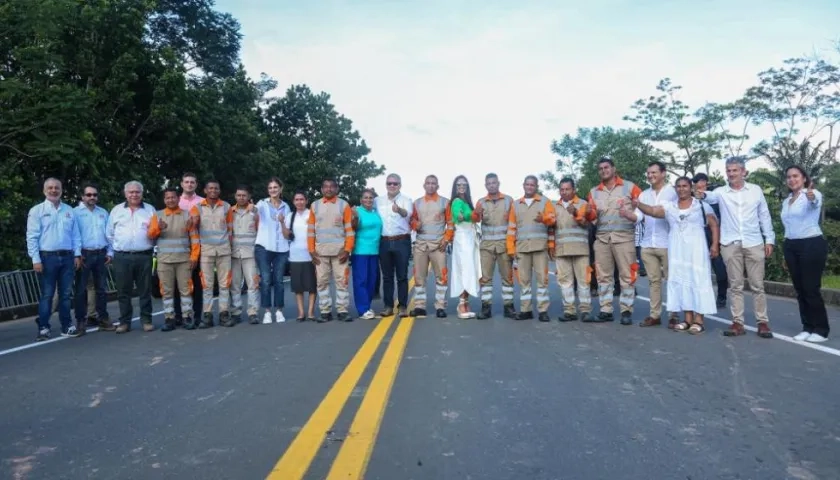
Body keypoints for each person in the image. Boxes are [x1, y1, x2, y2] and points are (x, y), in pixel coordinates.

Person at [698, 156, 775, 338]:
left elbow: (764, 215)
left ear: (743, 172)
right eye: (729, 171)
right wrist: (701, 193)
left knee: (757, 285)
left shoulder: (755, 191)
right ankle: (737, 322)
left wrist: (769, 239)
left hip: (754, 242)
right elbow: (709, 196)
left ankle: (762, 322)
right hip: (730, 244)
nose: (731, 174)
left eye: (735, 170)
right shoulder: (721, 192)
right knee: (735, 285)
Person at [633, 177, 720, 334]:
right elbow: (653, 211)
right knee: (682, 281)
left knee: (698, 280)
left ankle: (699, 320)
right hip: (677, 250)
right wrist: (638, 204)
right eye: (678, 186)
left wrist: (714, 245)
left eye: (685, 186)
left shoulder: (701, 206)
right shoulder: (670, 207)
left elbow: (714, 225)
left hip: (697, 249)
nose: (682, 189)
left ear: (691, 187)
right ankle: (687, 319)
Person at [584, 156, 643, 325]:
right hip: (602, 239)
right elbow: (593, 216)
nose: (604, 171)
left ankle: (626, 310)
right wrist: (588, 212)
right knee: (603, 277)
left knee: (627, 275)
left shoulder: (630, 187)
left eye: (607, 167)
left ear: (614, 169)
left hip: (624, 239)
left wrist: (633, 214)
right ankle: (606, 310)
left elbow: (642, 209)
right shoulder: (594, 192)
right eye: (601, 168)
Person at [26, 177, 82, 340]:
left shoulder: (69, 210)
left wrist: (77, 254)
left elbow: (75, 235)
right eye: (50, 188)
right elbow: (32, 237)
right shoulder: (37, 211)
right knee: (47, 295)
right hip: (46, 258)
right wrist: (35, 259)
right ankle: (43, 327)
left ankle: (67, 326)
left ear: (61, 190)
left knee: (65, 295)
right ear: (44, 190)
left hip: (67, 257)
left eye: (56, 187)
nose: (53, 190)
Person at [780, 166, 829, 342]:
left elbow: (814, 201)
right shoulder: (786, 201)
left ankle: (821, 330)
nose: (792, 179)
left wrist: (811, 197)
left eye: (796, 176)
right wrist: (786, 252)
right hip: (791, 245)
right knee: (800, 289)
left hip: (811, 243)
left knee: (810, 288)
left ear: (804, 178)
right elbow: (788, 226)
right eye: (789, 177)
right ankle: (807, 327)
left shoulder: (812, 194)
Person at [107, 180, 156, 333]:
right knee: (123, 291)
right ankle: (124, 322)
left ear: (142, 193)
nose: (134, 194)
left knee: (145, 290)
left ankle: (146, 320)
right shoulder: (116, 210)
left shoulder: (150, 210)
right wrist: (117, 249)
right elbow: (109, 234)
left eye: (137, 192)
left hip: (144, 256)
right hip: (122, 257)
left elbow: (156, 232)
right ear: (125, 193)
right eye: (131, 192)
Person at [147, 187, 199, 331]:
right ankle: (169, 318)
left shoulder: (187, 215)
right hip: (164, 261)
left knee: (186, 290)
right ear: (164, 200)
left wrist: (194, 256)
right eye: (167, 198)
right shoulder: (157, 216)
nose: (170, 200)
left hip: (184, 260)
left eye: (173, 197)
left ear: (178, 198)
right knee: (167, 291)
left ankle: (187, 317)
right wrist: (158, 228)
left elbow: (194, 238)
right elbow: (150, 236)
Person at [506, 175, 556, 321]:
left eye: (532, 185)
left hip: (540, 247)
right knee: (524, 281)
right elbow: (511, 228)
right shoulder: (516, 205)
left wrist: (544, 219)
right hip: (522, 248)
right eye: (527, 184)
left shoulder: (544, 202)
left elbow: (553, 220)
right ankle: (525, 310)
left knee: (542, 280)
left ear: (536, 186)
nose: (529, 187)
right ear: (523, 185)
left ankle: (543, 310)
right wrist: (510, 248)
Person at [637, 161, 681, 328]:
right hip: (648, 244)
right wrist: (627, 213)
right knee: (653, 281)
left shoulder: (673, 192)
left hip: (668, 243)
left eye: (654, 172)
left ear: (663, 173)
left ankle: (673, 315)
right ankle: (654, 315)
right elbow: (639, 216)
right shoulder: (643, 194)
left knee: (672, 280)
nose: (650, 175)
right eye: (648, 173)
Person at [308, 178, 355, 322]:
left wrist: (347, 250)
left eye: (332, 187)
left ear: (337, 189)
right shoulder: (315, 206)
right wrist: (311, 251)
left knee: (342, 281)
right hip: (320, 253)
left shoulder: (343, 205)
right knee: (322, 282)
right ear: (321, 190)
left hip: (340, 252)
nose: (329, 189)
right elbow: (310, 231)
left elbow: (349, 230)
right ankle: (325, 311)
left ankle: (342, 310)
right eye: (326, 187)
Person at [190, 179, 234, 328]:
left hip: (224, 251)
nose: (213, 190)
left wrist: (229, 246)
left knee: (224, 284)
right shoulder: (197, 208)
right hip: (206, 251)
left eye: (216, 188)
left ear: (219, 191)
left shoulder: (226, 207)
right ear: (205, 191)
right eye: (210, 188)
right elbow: (193, 230)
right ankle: (207, 316)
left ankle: (224, 314)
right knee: (207, 285)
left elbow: (230, 230)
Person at [548, 178, 593, 322]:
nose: (564, 192)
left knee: (584, 281)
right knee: (565, 282)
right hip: (562, 250)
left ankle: (585, 311)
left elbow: (587, 224)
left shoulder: (583, 204)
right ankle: (569, 311)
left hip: (581, 250)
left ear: (574, 190)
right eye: (562, 189)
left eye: (567, 189)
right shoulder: (555, 207)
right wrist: (551, 247)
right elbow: (551, 229)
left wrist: (576, 214)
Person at [472, 173, 516, 319]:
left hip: (504, 246)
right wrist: (476, 214)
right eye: (489, 183)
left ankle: (509, 307)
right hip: (487, 246)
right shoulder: (481, 202)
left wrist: (514, 245)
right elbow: (475, 220)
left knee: (507, 278)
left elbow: (514, 223)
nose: (492, 185)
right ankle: (486, 308)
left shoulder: (509, 201)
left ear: (498, 183)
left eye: (494, 183)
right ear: (486, 185)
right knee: (486, 279)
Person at [73, 182, 114, 333]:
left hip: (101, 253)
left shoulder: (103, 212)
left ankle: (103, 318)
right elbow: (73, 235)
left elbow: (109, 234)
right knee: (80, 289)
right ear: (83, 196)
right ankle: (80, 321)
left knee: (101, 289)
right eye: (89, 195)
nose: (92, 197)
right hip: (84, 254)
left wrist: (110, 252)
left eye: (95, 195)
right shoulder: (75, 212)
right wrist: (76, 254)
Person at [409, 175, 451, 318]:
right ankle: (420, 306)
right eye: (428, 183)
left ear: (437, 186)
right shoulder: (417, 203)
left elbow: (451, 223)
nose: (431, 186)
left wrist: (446, 239)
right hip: (421, 245)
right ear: (424, 185)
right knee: (419, 277)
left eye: (434, 183)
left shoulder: (445, 202)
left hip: (438, 245)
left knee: (442, 277)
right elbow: (412, 221)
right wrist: (415, 224)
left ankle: (440, 306)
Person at [375, 173, 413, 317]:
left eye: (395, 183)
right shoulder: (378, 201)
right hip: (384, 242)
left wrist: (399, 210)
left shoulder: (406, 200)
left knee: (402, 276)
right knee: (387, 276)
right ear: (386, 184)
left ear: (400, 185)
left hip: (401, 241)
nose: (392, 186)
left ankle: (402, 306)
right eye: (389, 183)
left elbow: (407, 215)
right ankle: (388, 306)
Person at [254, 177, 291, 323]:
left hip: (281, 248)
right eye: (270, 188)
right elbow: (255, 211)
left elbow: (286, 233)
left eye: (275, 187)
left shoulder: (286, 207)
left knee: (279, 280)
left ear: (281, 189)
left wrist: (282, 221)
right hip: (264, 247)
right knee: (266, 279)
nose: (273, 190)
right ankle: (267, 312)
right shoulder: (262, 204)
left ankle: (279, 310)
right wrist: (252, 209)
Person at [692, 173, 728, 308]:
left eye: (701, 181)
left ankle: (722, 296)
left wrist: (715, 242)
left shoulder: (715, 196)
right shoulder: (690, 198)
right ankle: (701, 296)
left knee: (720, 269)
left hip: (714, 234)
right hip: (697, 235)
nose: (699, 184)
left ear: (706, 182)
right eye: (696, 182)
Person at [448, 175, 481, 319]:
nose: (462, 187)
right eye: (459, 184)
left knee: (471, 270)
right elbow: (458, 215)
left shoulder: (467, 201)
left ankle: (466, 302)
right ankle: (461, 303)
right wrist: (464, 216)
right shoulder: (456, 201)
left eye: (464, 184)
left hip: (470, 236)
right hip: (462, 239)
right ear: (455, 187)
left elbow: (474, 217)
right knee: (464, 270)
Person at [174, 172, 204, 325]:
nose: (189, 185)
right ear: (182, 184)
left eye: (192, 182)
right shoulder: (175, 201)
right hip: (179, 248)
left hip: (199, 247)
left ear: (196, 185)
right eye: (186, 182)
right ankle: (179, 316)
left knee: (198, 284)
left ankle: (198, 315)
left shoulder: (203, 202)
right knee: (179, 284)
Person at [228, 185, 261, 324]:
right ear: (235, 196)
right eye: (238, 195)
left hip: (250, 253)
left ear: (248, 197)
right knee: (234, 285)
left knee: (253, 284)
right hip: (233, 253)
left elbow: (261, 231)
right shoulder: (229, 211)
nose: (241, 198)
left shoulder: (255, 212)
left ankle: (253, 313)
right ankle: (236, 312)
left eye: (244, 195)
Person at [283, 190, 317, 322]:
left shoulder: (311, 215)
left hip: (310, 254)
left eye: (302, 199)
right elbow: (286, 235)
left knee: (312, 285)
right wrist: (281, 223)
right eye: (297, 200)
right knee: (298, 287)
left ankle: (311, 312)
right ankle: (301, 313)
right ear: (293, 202)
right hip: (295, 255)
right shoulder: (290, 216)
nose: (299, 202)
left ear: (306, 201)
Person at [351, 189, 383, 320]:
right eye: (365, 197)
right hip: (360, 251)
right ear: (361, 200)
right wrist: (356, 217)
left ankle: (367, 306)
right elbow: (353, 227)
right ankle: (362, 309)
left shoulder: (376, 214)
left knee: (372, 281)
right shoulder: (356, 211)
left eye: (371, 198)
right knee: (361, 280)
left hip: (374, 251)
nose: (368, 200)